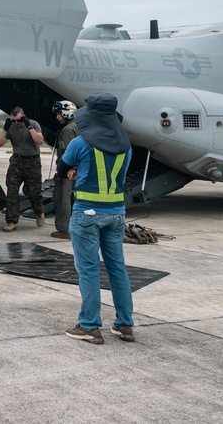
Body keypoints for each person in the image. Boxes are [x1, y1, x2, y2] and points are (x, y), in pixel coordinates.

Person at [59, 92, 135, 344]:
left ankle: (90, 326)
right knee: (118, 269)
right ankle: (125, 325)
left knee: (89, 270)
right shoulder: (126, 147)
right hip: (116, 214)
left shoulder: (80, 143)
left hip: (87, 214)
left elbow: (62, 169)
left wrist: (75, 170)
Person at [0, 106, 46, 231]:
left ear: (24, 116)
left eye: (19, 120)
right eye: (14, 121)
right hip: (17, 161)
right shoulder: (11, 127)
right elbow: (0, 144)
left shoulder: (33, 124)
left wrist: (29, 127)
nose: (17, 123)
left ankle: (39, 211)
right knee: (12, 190)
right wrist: (4, 129)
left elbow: (40, 141)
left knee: (34, 192)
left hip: (32, 161)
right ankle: (11, 221)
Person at [51, 100, 79, 240]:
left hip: (67, 170)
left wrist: (63, 170)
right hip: (77, 169)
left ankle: (63, 229)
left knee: (63, 198)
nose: (57, 117)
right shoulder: (77, 125)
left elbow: (67, 153)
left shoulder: (67, 130)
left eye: (59, 114)